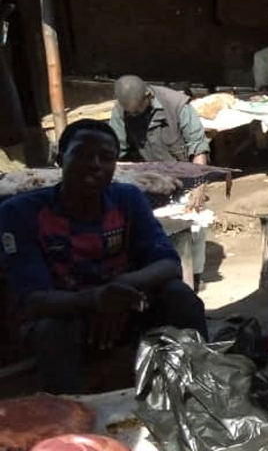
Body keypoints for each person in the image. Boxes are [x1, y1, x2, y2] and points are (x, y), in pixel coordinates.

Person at [0, 120, 207, 394]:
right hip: (64, 314)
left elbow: (169, 263)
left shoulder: (127, 199)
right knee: (53, 328)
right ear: (60, 159)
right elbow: (33, 300)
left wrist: (120, 289)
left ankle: (198, 389)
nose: (95, 164)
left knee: (179, 296)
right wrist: (95, 299)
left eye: (106, 157)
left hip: (119, 310)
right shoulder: (21, 212)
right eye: (83, 155)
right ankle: (69, 417)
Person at [109, 76, 209, 165]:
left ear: (148, 96)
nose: (132, 114)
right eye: (129, 112)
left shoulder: (176, 104)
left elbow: (198, 146)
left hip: (182, 170)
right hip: (146, 174)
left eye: (136, 111)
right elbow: (115, 150)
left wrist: (198, 177)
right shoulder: (120, 110)